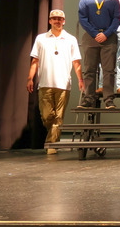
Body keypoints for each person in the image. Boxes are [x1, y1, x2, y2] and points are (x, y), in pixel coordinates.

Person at [27, 10, 83, 155]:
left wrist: (80, 79)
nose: (57, 21)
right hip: (45, 83)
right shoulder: (41, 38)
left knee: (58, 117)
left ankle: (51, 145)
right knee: (46, 116)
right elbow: (35, 61)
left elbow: (76, 62)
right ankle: (53, 139)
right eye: (54, 18)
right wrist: (30, 78)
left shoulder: (71, 39)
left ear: (64, 21)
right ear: (50, 21)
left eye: (60, 19)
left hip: (63, 84)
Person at [78, 0, 120, 109]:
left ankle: (108, 99)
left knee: (109, 70)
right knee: (89, 69)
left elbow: (116, 20)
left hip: (108, 38)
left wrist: (106, 34)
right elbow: (83, 19)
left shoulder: (114, 1)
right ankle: (88, 98)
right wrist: (95, 33)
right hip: (91, 38)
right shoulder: (85, 0)